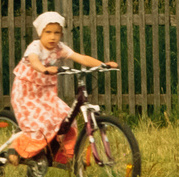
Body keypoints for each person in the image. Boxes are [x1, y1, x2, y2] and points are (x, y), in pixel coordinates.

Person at [9, 10, 117, 160]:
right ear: (40, 33)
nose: (52, 37)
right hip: (26, 93)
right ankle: (15, 148)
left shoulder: (60, 48)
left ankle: (59, 154)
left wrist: (103, 64)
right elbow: (34, 61)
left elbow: (81, 58)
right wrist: (44, 69)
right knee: (42, 123)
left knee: (67, 118)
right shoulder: (35, 47)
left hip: (46, 94)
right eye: (48, 32)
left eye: (57, 33)